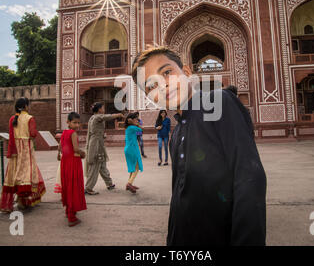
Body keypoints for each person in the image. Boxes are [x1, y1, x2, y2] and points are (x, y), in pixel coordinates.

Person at [132, 47, 267, 246]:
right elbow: (179, 198)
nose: (162, 86)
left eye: (167, 73)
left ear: (186, 72)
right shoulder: (176, 135)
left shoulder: (218, 102)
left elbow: (249, 179)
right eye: (151, 86)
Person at [0, 98, 46, 213]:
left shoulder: (12, 119)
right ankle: (22, 199)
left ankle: (18, 199)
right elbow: (33, 134)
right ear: (25, 106)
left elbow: (11, 136)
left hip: (15, 149)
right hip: (25, 149)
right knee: (26, 172)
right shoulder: (30, 118)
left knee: (15, 172)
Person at [84, 102, 124, 195]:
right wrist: (117, 114)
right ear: (99, 109)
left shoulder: (92, 118)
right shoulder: (97, 117)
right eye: (102, 108)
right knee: (95, 166)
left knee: (102, 165)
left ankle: (109, 183)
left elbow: (90, 133)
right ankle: (88, 188)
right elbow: (106, 117)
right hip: (96, 145)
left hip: (97, 143)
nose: (104, 109)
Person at [58, 112, 87, 227]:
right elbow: (75, 148)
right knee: (73, 187)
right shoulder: (73, 133)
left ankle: (68, 210)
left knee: (67, 186)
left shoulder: (64, 132)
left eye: (78, 123)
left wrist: (58, 155)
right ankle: (71, 217)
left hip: (65, 162)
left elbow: (60, 147)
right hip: (73, 163)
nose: (77, 125)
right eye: (74, 122)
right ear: (68, 122)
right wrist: (83, 153)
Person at [124, 112, 143, 194]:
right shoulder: (132, 127)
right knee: (136, 167)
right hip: (132, 149)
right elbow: (141, 130)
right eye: (136, 118)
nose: (138, 120)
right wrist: (135, 124)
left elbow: (140, 133)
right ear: (131, 120)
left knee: (133, 167)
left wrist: (136, 123)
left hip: (130, 148)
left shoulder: (130, 128)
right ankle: (129, 183)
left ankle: (129, 183)